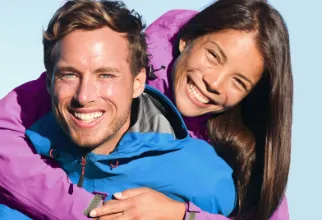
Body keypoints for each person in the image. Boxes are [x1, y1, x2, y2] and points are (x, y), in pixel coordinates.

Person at [0, 0, 294, 219]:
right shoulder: (108, 60)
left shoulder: (233, 159)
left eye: (239, 82)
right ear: (187, 40)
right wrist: (87, 210)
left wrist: (182, 216)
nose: (214, 82)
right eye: (213, 57)